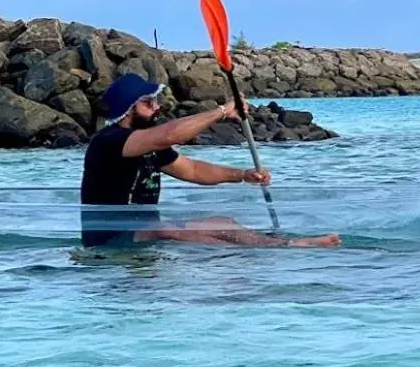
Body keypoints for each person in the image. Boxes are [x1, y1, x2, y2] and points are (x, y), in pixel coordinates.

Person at [79, 73, 341, 249]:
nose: (157, 107)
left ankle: (289, 247)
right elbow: (170, 134)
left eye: (156, 101)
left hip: (148, 230)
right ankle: (256, 258)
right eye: (148, 102)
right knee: (168, 231)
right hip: (110, 237)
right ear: (127, 108)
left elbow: (192, 170)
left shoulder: (147, 144)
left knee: (222, 223)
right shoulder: (109, 141)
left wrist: (241, 175)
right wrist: (222, 111)